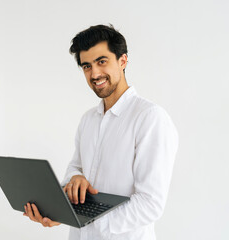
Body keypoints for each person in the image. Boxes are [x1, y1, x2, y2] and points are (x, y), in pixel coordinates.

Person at [23, 24, 178, 240]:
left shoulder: (150, 118)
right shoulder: (88, 119)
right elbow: (75, 166)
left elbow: (150, 203)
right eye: (87, 66)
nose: (94, 73)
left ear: (122, 61)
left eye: (101, 61)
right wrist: (72, 184)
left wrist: (87, 219)